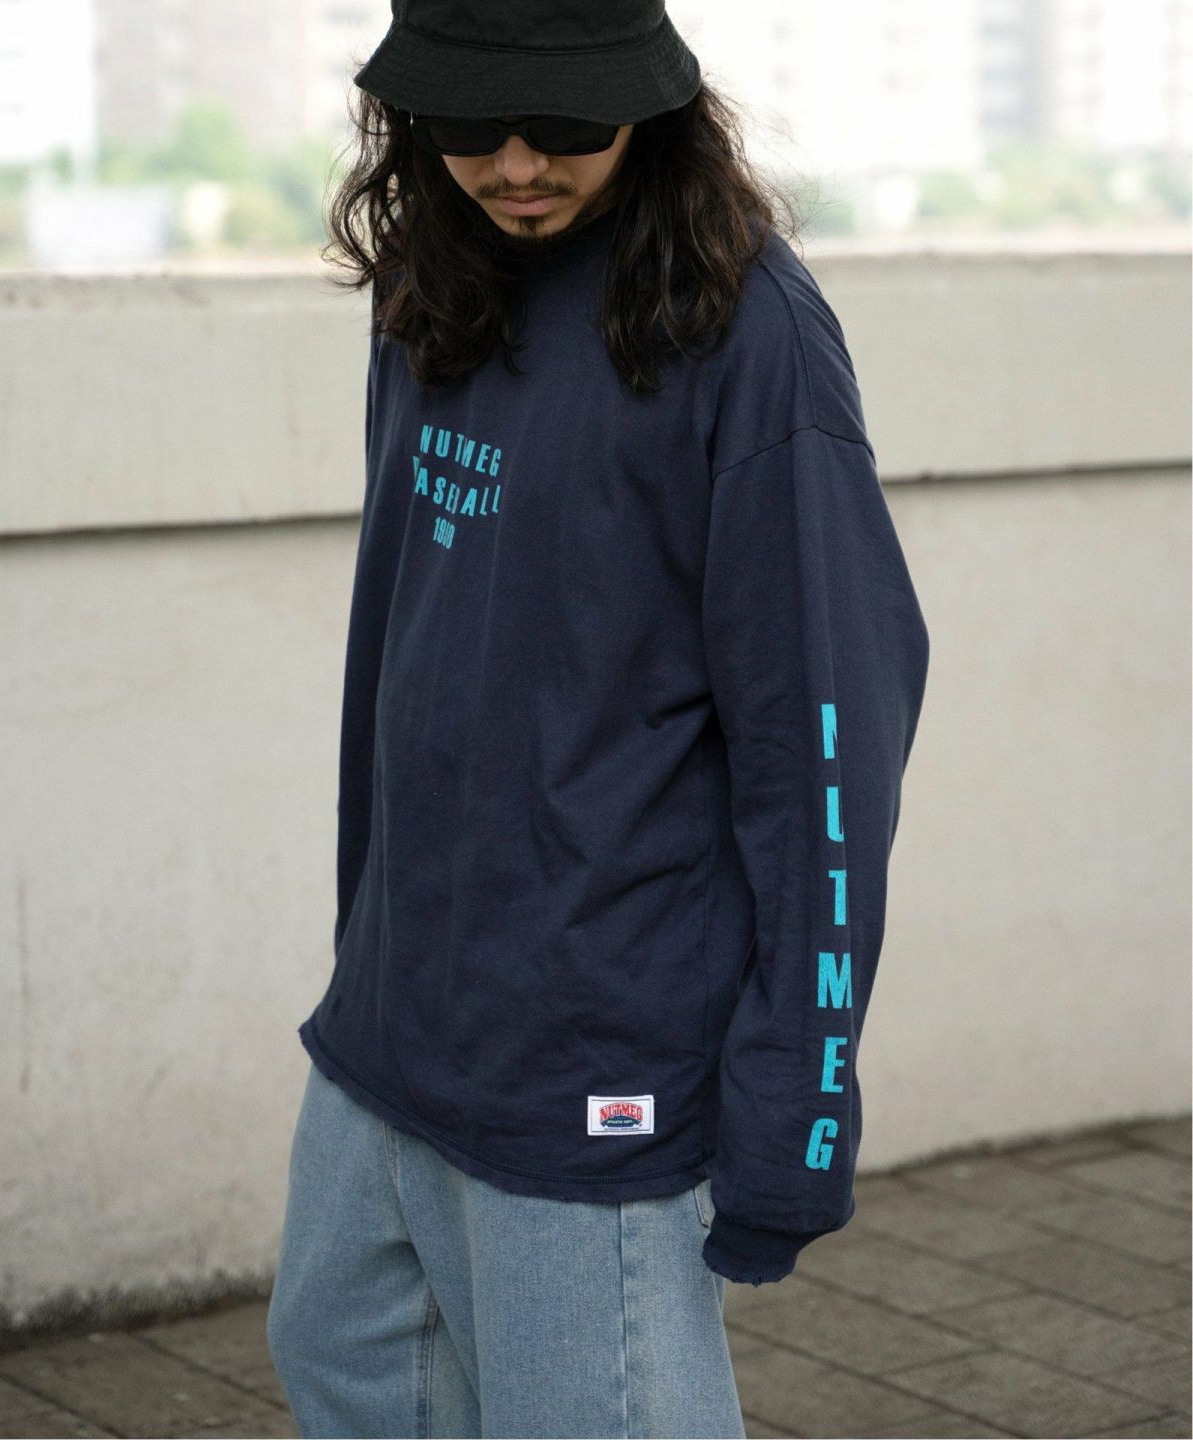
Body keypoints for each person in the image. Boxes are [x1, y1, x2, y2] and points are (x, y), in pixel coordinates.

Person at [265, 1, 931, 1436]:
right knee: (334, 1358)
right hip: (394, 1028)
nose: (515, 165)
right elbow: (409, 653)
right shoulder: (436, 282)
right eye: (470, 123)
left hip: (594, 1058)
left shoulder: (751, 336)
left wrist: (798, 1111)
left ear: (652, 100)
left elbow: (827, 740)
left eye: (563, 123)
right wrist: (368, 945)